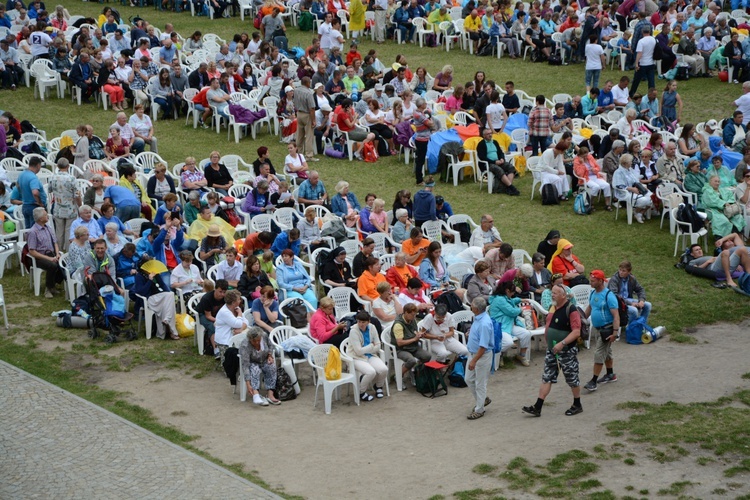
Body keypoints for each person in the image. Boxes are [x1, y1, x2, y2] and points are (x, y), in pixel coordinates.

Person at [522, 283, 582, 417]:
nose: (552, 295)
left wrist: (562, 343)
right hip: (552, 350)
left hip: (566, 351)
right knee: (547, 377)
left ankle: (577, 404)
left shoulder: (571, 310)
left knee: (572, 378)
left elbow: (576, 332)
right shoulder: (552, 307)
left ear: (563, 295)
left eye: (555, 293)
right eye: (552, 292)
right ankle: (537, 407)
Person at [583, 270, 620, 392]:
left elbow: (616, 316)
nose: (590, 282)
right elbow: (589, 308)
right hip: (597, 330)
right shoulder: (593, 293)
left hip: (607, 330)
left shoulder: (609, 296)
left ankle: (593, 381)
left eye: (593, 281)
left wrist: (615, 333)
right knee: (607, 352)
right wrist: (581, 319)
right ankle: (610, 374)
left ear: (600, 281)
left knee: (599, 354)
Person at [130, 256, 179, 340]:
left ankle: (165, 330)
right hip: (149, 299)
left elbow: (163, 285)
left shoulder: (155, 273)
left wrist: (166, 292)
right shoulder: (140, 276)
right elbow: (141, 292)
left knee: (169, 296)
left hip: (160, 297)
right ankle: (172, 331)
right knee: (169, 296)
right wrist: (150, 280)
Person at [489, 279, 532, 366]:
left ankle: (521, 355)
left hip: (509, 324)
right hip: (500, 326)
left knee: (526, 334)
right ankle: (496, 354)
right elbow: (512, 311)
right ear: (507, 291)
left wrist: (520, 300)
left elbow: (511, 300)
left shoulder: (504, 298)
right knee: (508, 342)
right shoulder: (500, 300)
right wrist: (521, 309)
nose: (513, 294)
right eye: (512, 292)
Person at [464, 297, 493, 420]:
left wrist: (474, 360)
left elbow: (483, 346)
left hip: (481, 356)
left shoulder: (484, 323)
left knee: (480, 383)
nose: (470, 307)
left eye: (472, 305)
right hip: (474, 354)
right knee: (468, 379)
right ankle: (482, 400)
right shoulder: (478, 318)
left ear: (476, 309)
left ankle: (479, 409)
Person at [348, 310, 387, 402]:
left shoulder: (372, 327)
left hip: (370, 355)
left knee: (384, 369)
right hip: (356, 357)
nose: (361, 324)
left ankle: (378, 386)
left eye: (363, 322)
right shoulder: (353, 331)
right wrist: (371, 346)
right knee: (371, 372)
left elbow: (378, 345)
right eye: (359, 322)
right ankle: (361, 392)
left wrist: (371, 348)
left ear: (368, 321)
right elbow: (358, 351)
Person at [27, 207, 64, 299]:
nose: (47, 216)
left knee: (64, 263)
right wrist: (49, 258)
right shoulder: (33, 232)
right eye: (45, 215)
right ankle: (48, 288)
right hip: (39, 257)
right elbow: (32, 252)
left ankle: (53, 283)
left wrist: (57, 254)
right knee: (52, 265)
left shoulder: (48, 228)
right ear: (40, 218)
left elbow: (55, 242)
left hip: (51, 253)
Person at [239, 326, 281, 407]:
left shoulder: (264, 336)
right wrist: (248, 383)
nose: (257, 343)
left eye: (258, 340)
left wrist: (269, 355)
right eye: (254, 341)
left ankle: (270, 394)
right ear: (250, 339)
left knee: (271, 367)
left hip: (264, 359)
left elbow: (271, 346)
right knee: (255, 369)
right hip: (252, 362)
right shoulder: (245, 345)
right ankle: (256, 394)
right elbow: (245, 365)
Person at [47, 159, 80, 252]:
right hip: (71, 208)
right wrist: (80, 205)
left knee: (59, 231)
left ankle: (59, 251)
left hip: (58, 207)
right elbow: (77, 195)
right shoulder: (72, 178)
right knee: (69, 231)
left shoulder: (52, 178)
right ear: (68, 166)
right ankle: (69, 252)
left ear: (57, 166)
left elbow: (49, 190)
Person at [393, 303, 431, 379]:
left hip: (413, 346)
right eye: (412, 315)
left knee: (427, 356)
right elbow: (399, 343)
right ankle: (398, 376)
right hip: (401, 349)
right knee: (411, 360)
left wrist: (419, 334)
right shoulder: (398, 325)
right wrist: (414, 339)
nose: (414, 317)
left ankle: (416, 372)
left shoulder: (412, 320)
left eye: (415, 315)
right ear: (406, 312)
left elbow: (414, 332)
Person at [476, 128, 519, 196]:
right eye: (488, 134)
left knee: (510, 167)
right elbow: (482, 157)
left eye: (491, 133)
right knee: (498, 170)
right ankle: (511, 188)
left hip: (498, 162)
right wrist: (494, 162)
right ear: (484, 136)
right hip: (488, 164)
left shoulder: (495, 142)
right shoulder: (481, 144)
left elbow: (500, 152)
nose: (490, 135)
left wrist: (502, 159)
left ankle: (508, 187)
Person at [613, 153, 653, 224]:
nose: (632, 163)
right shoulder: (618, 172)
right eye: (630, 161)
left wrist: (642, 187)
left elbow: (636, 180)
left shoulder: (630, 169)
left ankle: (638, 213)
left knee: (652, 197)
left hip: (636, 189)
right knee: (643, 200)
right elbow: (618, 185)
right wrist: (631, 189)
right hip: (625, 192)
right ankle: (637, 212)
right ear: (625, 163)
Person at [196, 279, 229, 359]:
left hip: (216, 315)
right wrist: (220, 321)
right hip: (202, 314)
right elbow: (208, 316)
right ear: (215, 289)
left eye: (224, 292)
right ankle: (216, 350)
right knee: (212, 326)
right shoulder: (207, 298)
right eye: (220, 292)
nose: (222, 294)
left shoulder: (226, 298)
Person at [214, 289, 249, 362]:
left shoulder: (236, 308)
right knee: (228, 363)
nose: (240, 301)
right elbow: (238, 323)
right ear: (233, 302)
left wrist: (241, 329)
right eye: (239, 299)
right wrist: (239, 314)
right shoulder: (225, 312)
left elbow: (246, 321)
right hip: (224, 340)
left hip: (234, 338)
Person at [18, 155, 47, 229]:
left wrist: (23, 195)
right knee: (35, 230)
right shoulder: (33, 177)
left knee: (28, 230)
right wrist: (40, 202)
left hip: (25, 206)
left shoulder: (22, 174)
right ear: (38, 165)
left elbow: (17, 186)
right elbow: (35, 192)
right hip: (33, 207)